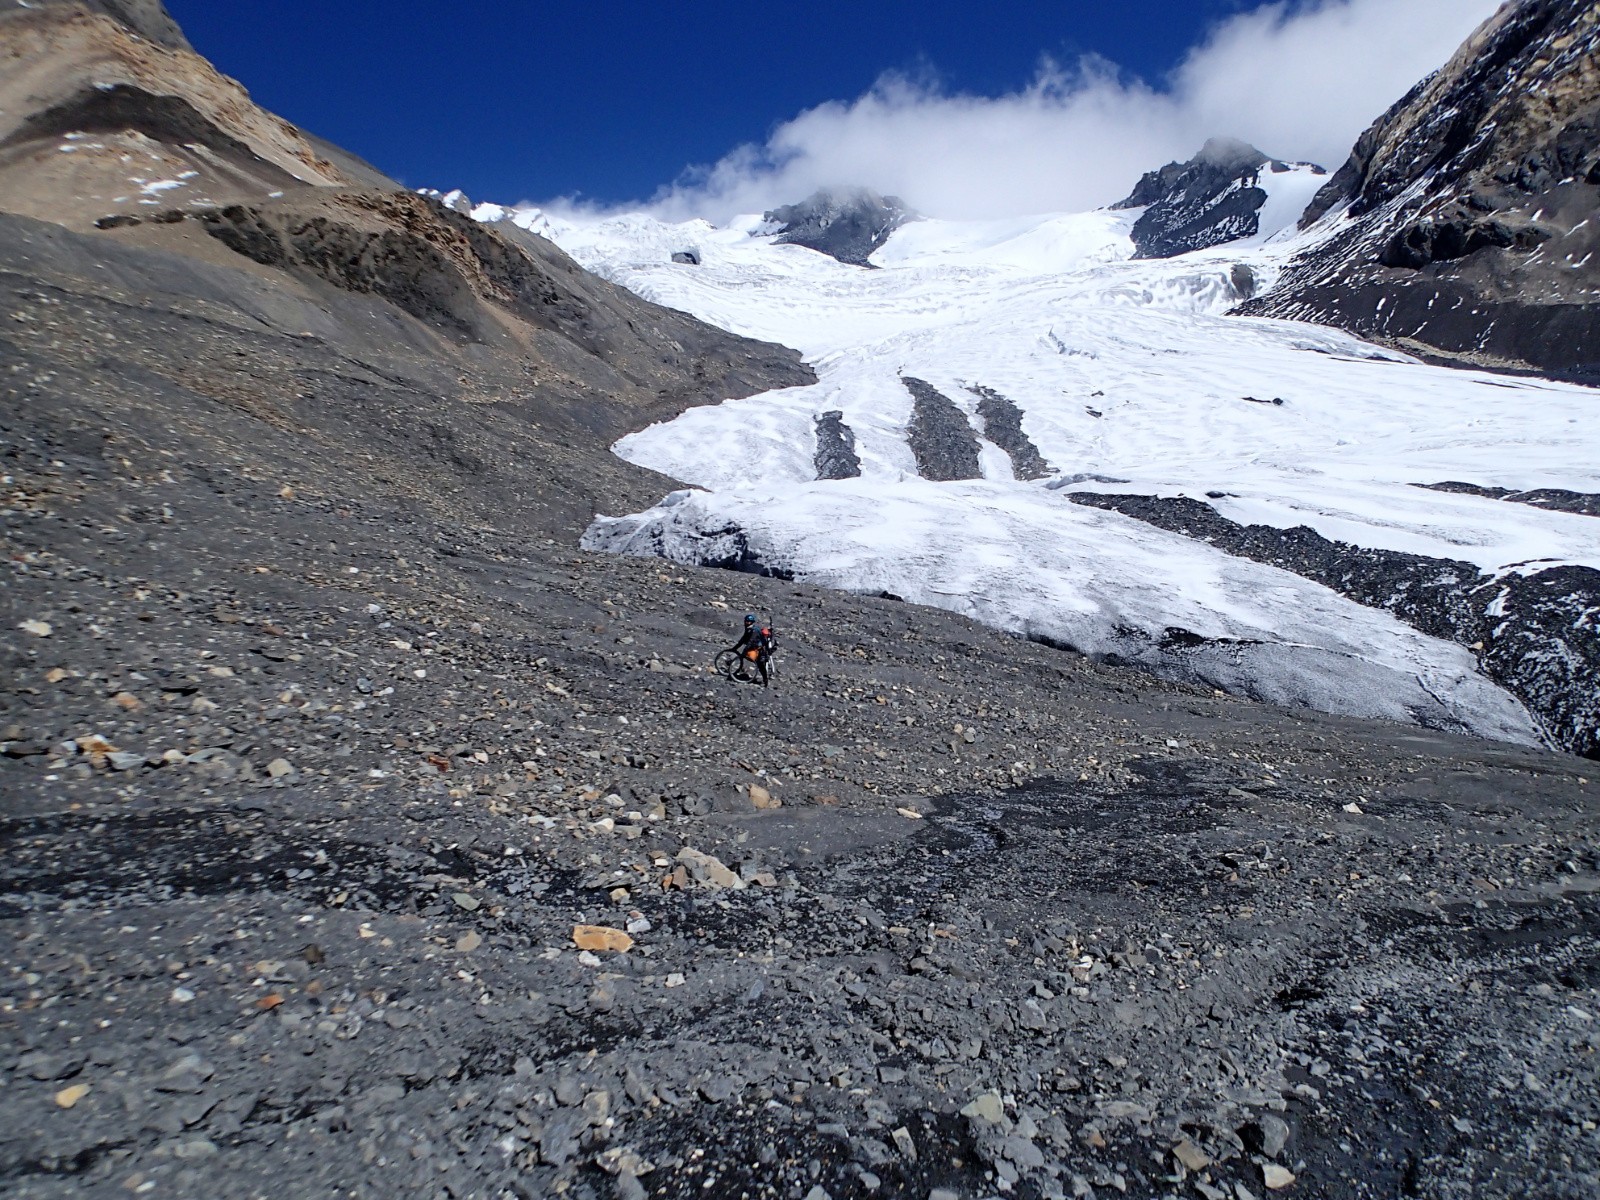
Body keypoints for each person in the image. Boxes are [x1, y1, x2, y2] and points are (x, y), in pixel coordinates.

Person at [730, 613, 776, 687]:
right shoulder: (748, 629)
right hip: (755, 647)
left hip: (760, 648)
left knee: (760, 664)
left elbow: (750, 642)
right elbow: (743, 639)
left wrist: (744, 651)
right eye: (746, 621)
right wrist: (735, 648)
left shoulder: (754, 631)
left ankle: (765, 680)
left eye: (748, 621)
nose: (746, 622)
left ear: (751, 622)